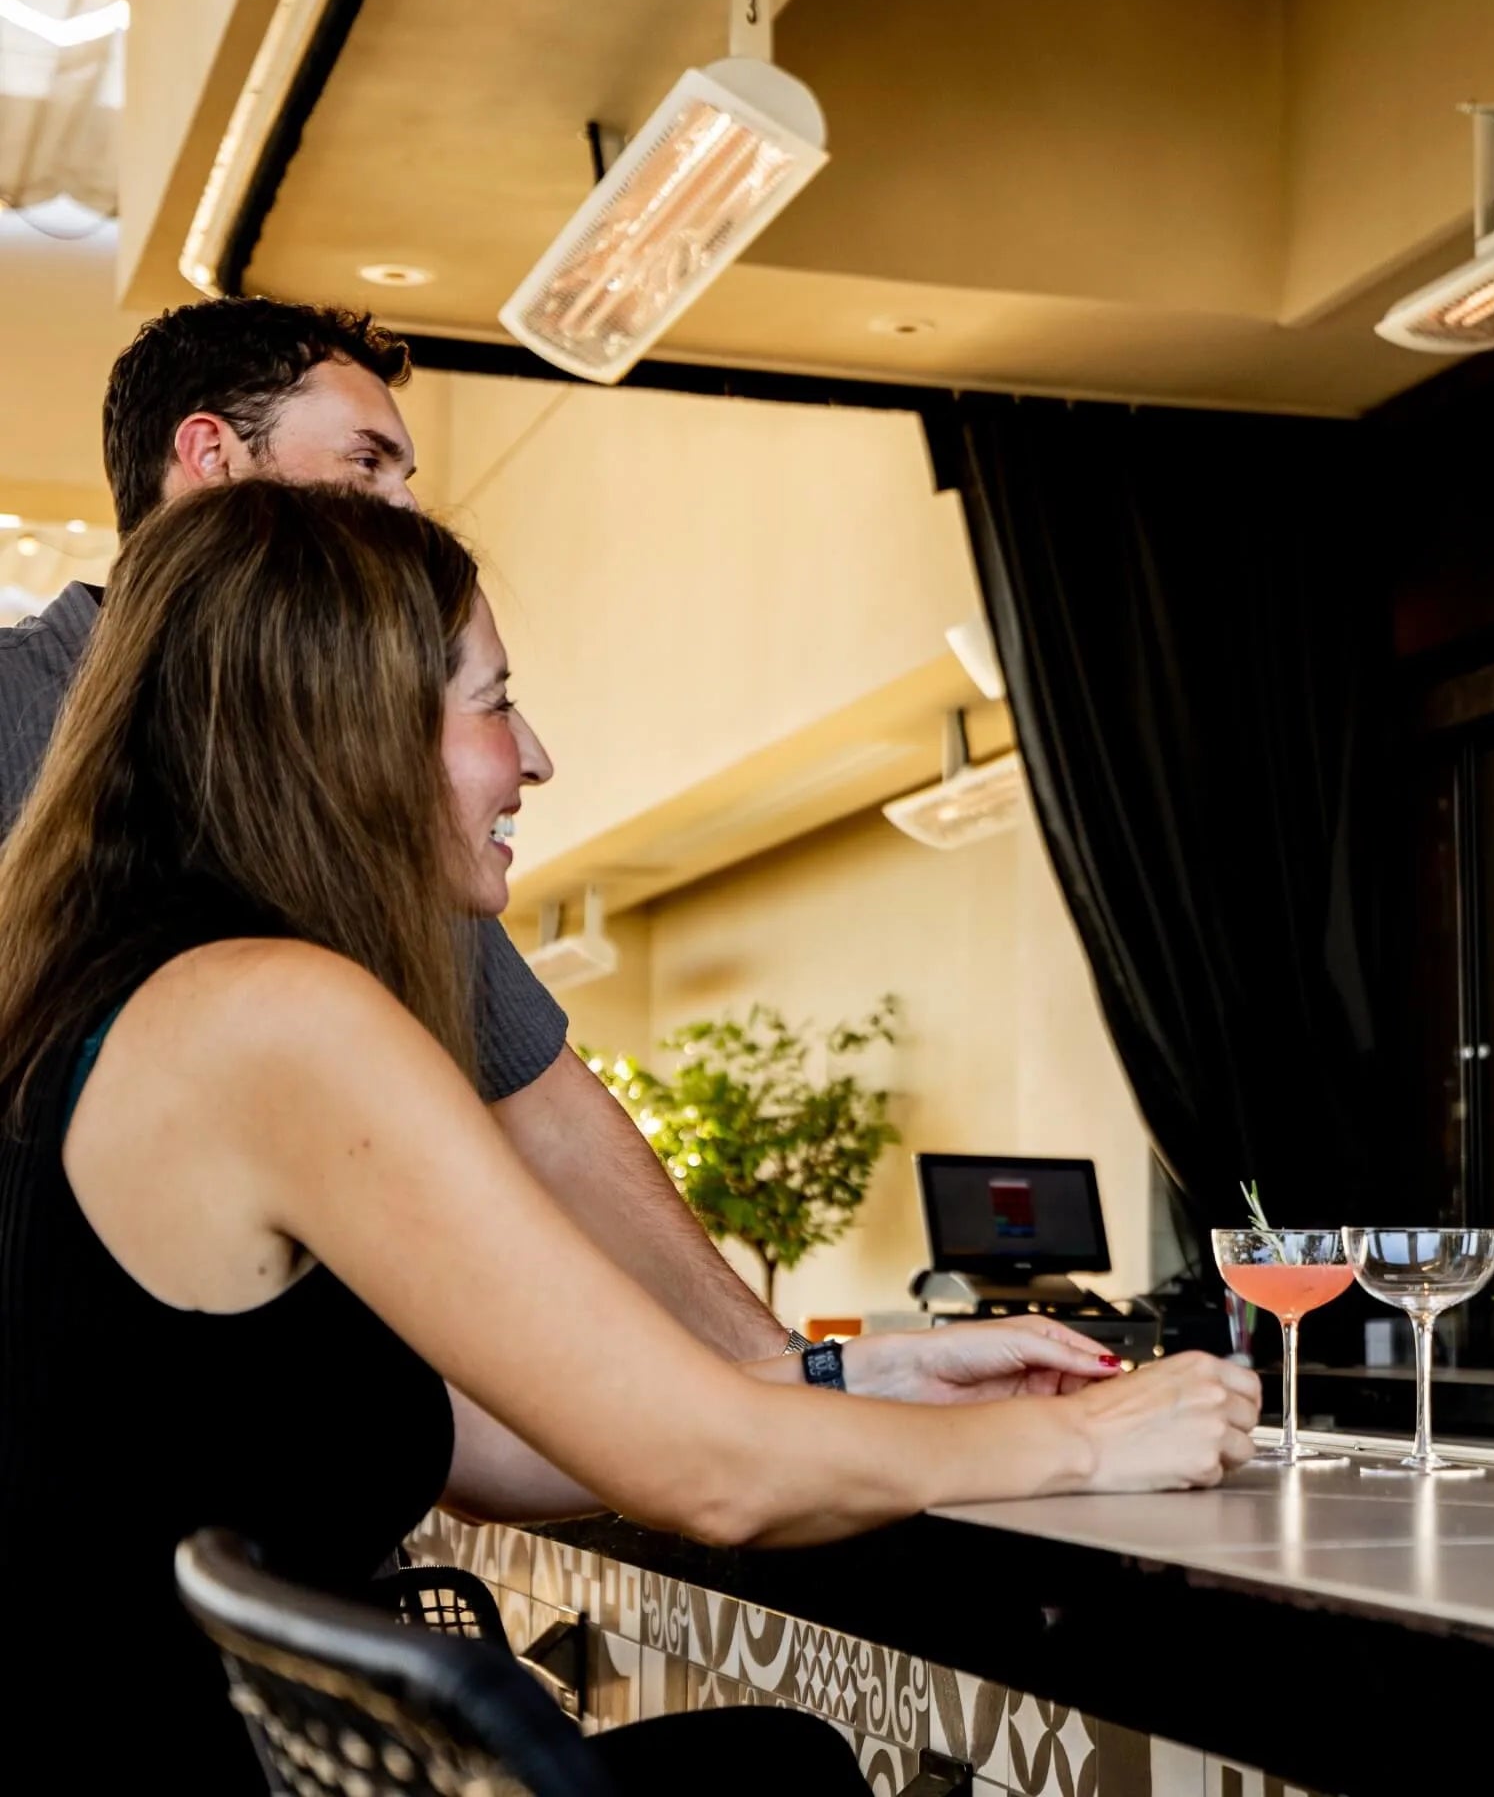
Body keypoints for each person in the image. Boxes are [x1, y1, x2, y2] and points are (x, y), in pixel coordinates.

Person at [0, 481, 1260, 1789]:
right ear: (349, 732)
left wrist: (857, 1379)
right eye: (494, 703)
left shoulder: (126, 997)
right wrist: (1094, 1439)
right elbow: (709, 1480)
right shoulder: (275, 1013)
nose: (534, 754)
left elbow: (475, 1443)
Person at [6, 297, 1102, 1411]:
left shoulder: (347, 812)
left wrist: (787, 1373)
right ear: (209, 456)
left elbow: (544, 1115)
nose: (403, 507)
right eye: (369, 463)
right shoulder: (42, 726)